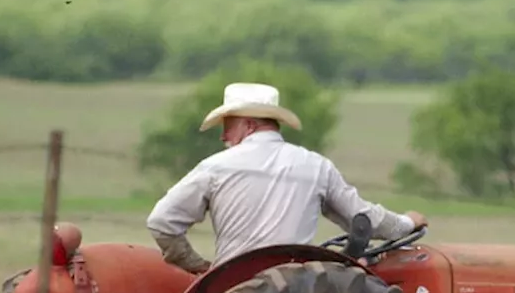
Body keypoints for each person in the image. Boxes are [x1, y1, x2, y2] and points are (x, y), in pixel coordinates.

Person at [146, 82, 429, 274]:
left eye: (227, 127)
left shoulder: (215, 167)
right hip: (296, 289)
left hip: (230, 287)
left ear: (248, 125)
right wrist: (406, 223)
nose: (222, 136)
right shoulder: (316, 166)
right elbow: (364, 219)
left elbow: (162, 221)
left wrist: (198, 266)